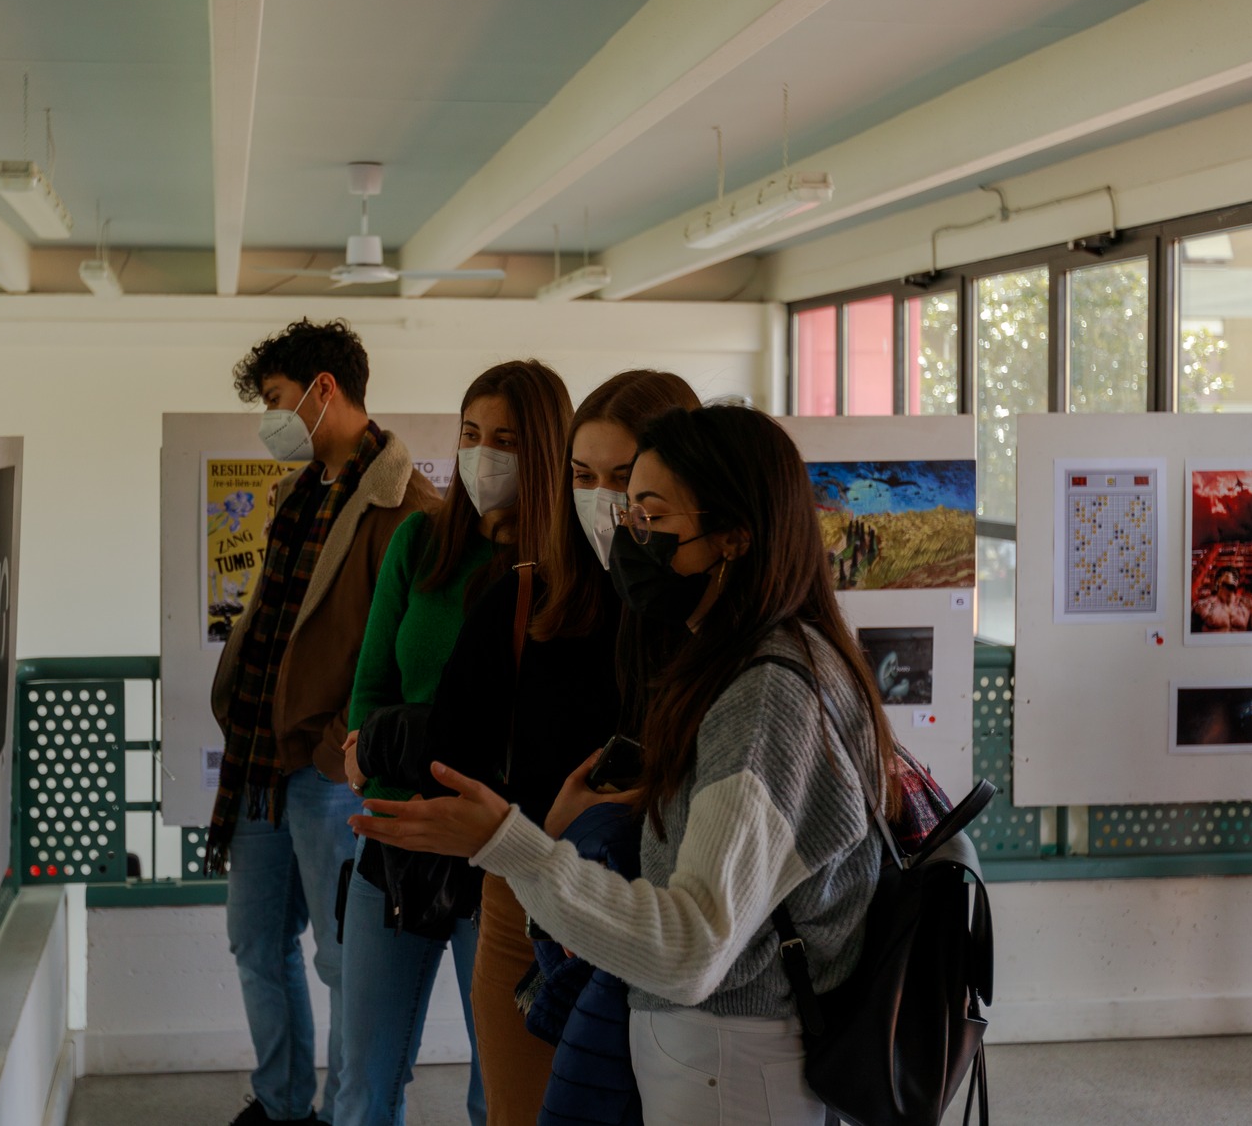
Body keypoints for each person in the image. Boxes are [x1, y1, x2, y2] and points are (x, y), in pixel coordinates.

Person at [350, 405, 901, 1126]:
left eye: (648, 514)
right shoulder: (754, 662)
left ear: (734, 534)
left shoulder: (765, 694)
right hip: (719, 1052)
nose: (626, 536)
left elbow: (691, 946)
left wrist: (508, 842)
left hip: (730, 1060)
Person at [355, 370, 700, 1126]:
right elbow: (452, 742)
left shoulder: (715, 617)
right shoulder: (522, 594)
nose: (605, 498)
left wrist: (610, 806)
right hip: (532, 908)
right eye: (585, 475)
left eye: (625, 476)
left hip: (677, 916)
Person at [205, 318, 441, 1126]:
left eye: (276, 399)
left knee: (347, 961)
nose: (270, 418)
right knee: (256, 945)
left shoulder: (406, 507)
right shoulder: (300, 491)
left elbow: (407, 654)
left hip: (330, 770)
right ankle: (281, 1105)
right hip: (263, 764)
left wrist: (343, 740)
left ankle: (355, 1113)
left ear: (323, 390)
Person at [337, 359, 572, 1126]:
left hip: (499, 852)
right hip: (396, 841)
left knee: (497, 1090)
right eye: (471, 434)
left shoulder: (566, 576)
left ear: (543, 451)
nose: (483, 454)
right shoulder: (420, 543)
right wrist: (373, 757)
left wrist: (388, 745)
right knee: (362, 1081)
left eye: (505, 439)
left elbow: (519, 734)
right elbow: (371, 695)